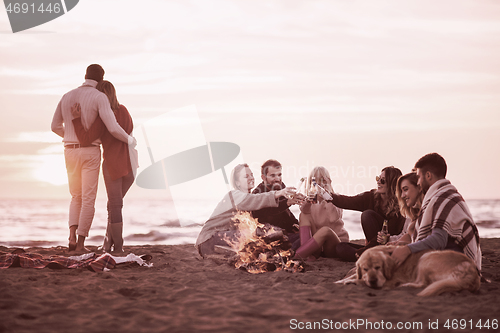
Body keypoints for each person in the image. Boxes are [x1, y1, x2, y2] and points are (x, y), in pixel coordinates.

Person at [51, 64, 136, 252]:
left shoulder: (66, 96)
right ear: (101, 78)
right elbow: (114, 128)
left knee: (76, 196)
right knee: (93, 200)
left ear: (85, 75)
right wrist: (130, 140)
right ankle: (86, 244)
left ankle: (72, 237)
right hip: (99, 153)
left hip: (70, 149)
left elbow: (55, 126)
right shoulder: (102, 99)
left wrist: (70, 134)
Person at [71, 80, 137, 253]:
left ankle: (119, 246)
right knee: (114, 205)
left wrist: (77, 119)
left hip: (113, 165)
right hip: (130, 165)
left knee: (115, 205)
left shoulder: (103, 117)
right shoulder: (124, 110)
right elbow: (129, 132)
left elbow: (85, 138)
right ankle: (108, 243)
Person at [391, 153, 481, 271]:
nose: (418, 182)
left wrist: (408, 249)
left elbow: (439, 239)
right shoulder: (447, 194)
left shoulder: (442, 198)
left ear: (428, 175)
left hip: (456, 265)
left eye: (418, 177)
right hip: (453, 258)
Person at [195, 164, 295, 257]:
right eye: (246, 176)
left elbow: (266, 210)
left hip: (223, 241)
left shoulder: (247, 200)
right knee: (259, 232)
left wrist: (289, 202)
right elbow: (256, 199)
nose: (251, 178)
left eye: (251, 175)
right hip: (208, 240)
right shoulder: (234, 195)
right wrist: (278, 193)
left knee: (268, 232)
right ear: (237, 182)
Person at [332, 166, 405, 261]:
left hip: (388, 246)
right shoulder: (371, 197)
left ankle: (367, 255)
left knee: (367, 215)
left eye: (383, 180)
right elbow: (348, 201)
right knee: (341, 247)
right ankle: (369, 255)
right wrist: (329, 196)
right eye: (378, 179)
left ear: (392, 184)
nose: (378, 182)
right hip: (372, 246)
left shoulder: (400, 206)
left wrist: (364, 250)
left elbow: (386, 233)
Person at [296, 166, 349, 259]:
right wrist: (309, 201)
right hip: (318, 246)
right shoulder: (311, 200)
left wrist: (327, 196)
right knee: (303, 215)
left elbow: (333, 218)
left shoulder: (335, 199)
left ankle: (298, 255)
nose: (319, 185)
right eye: (315, 182)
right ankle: (307, 254)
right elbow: (304, 211)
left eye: (322, 181)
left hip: (335, 244)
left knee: (325, 230)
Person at [251, 159, 303, 249]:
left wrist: (295, 224)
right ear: (263, 177)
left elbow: (286, 211)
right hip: (271, 238)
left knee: (309, 233)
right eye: (273, 175)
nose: (277, 179)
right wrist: (288, 202)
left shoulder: (280, 186)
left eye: (279, 175)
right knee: (306, 238)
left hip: (287, 233)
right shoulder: (257, 194)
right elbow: (267, 211)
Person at [377, 172, 423, 246]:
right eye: (401, 191)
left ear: (419, 188)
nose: (402, 196)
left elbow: (425, 241)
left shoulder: (428, 211)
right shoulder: (411, 213)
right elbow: (404, 235)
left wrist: (401, 244)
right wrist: (389, 239)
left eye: (405, 189)